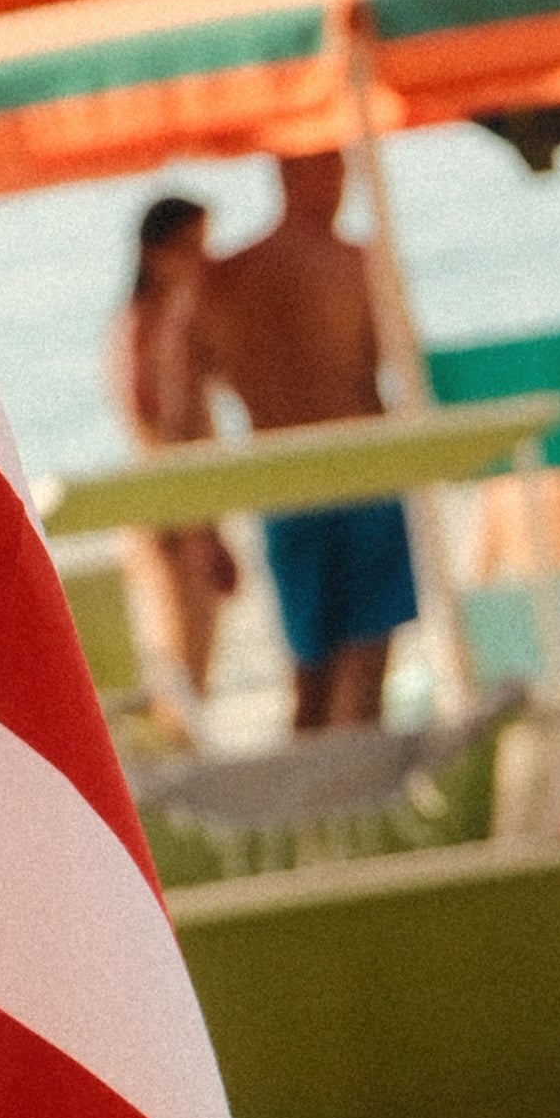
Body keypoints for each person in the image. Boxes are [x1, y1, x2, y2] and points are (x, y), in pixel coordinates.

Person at [194, 147, 417, 731]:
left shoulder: (226, 278)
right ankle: (351, 805)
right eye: (335, 169)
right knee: (363, 668)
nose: (343, 184)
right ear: (299, 175)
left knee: (309, 676)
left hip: (281, 480)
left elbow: (184, 398)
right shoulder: (355, 264)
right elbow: (400, 364)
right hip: (364, 471)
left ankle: (310, 806)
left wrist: (203, 520)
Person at [103, 194, 237, 709]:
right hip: (175, 512)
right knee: (185, 672)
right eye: (189, 249)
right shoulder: (152, 325)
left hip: (178, 505)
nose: (201, 263)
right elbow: (161, 429)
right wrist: (202, 532)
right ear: (154, 253)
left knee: (186, 671)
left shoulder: (158, 320)